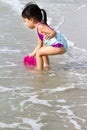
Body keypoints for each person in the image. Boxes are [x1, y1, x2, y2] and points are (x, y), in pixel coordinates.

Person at [22, 2, 68, 71]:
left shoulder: (41, 26)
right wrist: (32, 54)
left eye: (25, 21)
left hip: (60, 46)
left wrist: (50, 36)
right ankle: (47, 67)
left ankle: (39, 71)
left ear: (31, 19)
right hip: (61, 45)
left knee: (39, 53)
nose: (25, 23)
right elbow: (39, 45)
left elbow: (53, 32)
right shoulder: (38, 28)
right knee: (42, 50)